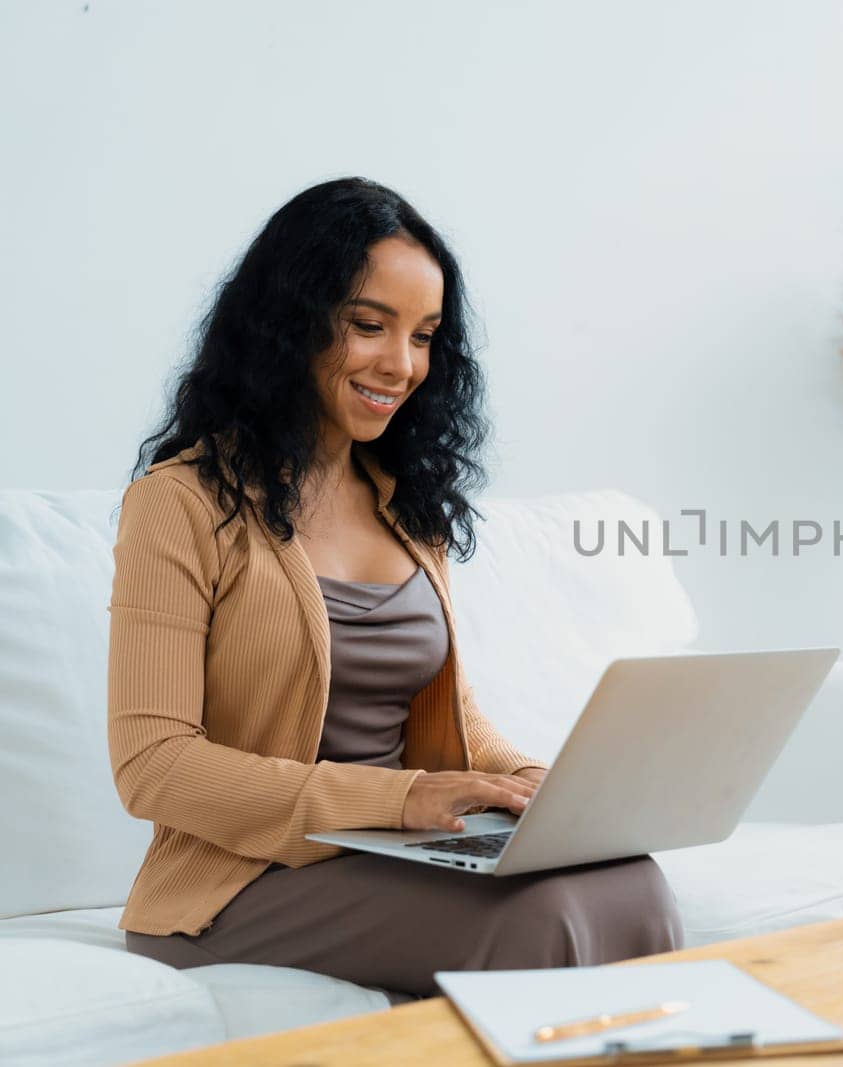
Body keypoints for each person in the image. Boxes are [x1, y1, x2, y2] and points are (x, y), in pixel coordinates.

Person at [110, 177, 683, 1003]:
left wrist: (537, 783)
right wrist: (404, 797)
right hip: (239, 885)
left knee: (634, 880)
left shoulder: (406, 503)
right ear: (289, 321)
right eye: (368, 325)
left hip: (391, 852)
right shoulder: (181, 502)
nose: (403, 364)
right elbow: (154, 768)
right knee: (540, 916)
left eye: (424, 336)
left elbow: (448, 714)